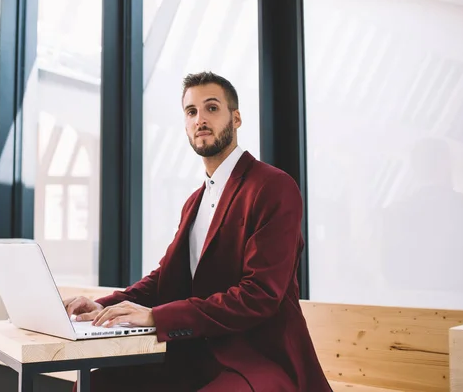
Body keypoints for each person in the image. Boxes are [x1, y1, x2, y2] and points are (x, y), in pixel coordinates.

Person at [65, 72, 331, 391]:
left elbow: (259, 295)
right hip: (194, 353)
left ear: (236, 118)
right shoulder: (195, 201)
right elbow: (165, 278)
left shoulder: (273, 186)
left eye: (212, 108)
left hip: (256, 357)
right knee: (97, 385)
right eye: (191, 112)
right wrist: (104, 306)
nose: (200, 119)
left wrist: (157, 318)